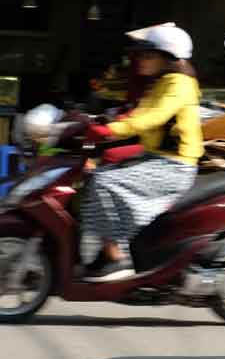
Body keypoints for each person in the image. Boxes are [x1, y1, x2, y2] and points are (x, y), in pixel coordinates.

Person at [79, 24, 204, 281]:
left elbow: (153, 117)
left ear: (167, 58)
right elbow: (138, 114)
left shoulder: (178, 84)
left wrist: (110, 131)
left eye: (148, 55)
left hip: (174, 166)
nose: (140, 60)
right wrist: (104, 122)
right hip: (157, 159)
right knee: (96, 175)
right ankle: (109, 251)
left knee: (104, 181)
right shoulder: (162, 82)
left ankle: (115, 257)